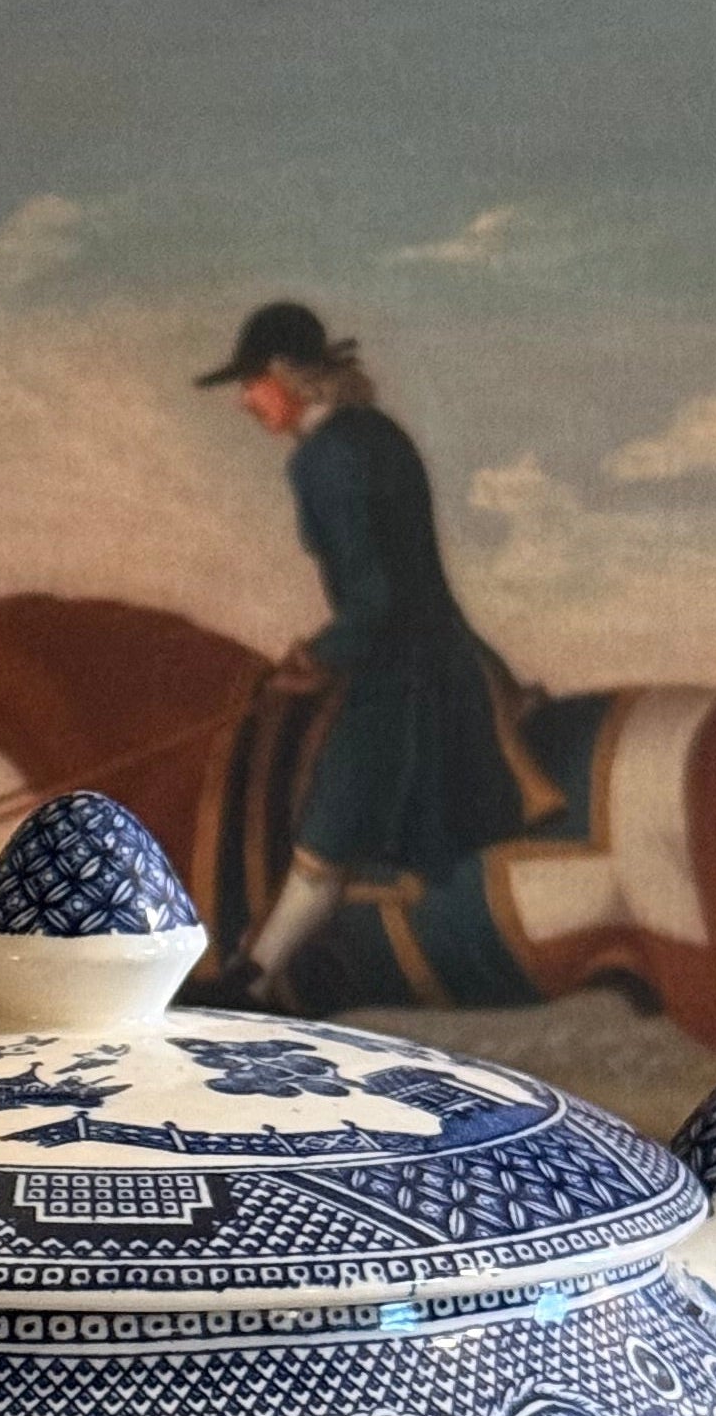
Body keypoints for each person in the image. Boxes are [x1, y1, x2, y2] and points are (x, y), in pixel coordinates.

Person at [198, 301, 557, 1001]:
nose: (245, 402)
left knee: (326, 831)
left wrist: (322, 654)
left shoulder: (326, 458)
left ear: (285, 376)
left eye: (251, 383)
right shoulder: (374, 435)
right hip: (443, 650)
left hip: (403, 670)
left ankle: (253, 977)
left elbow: (377, 599)